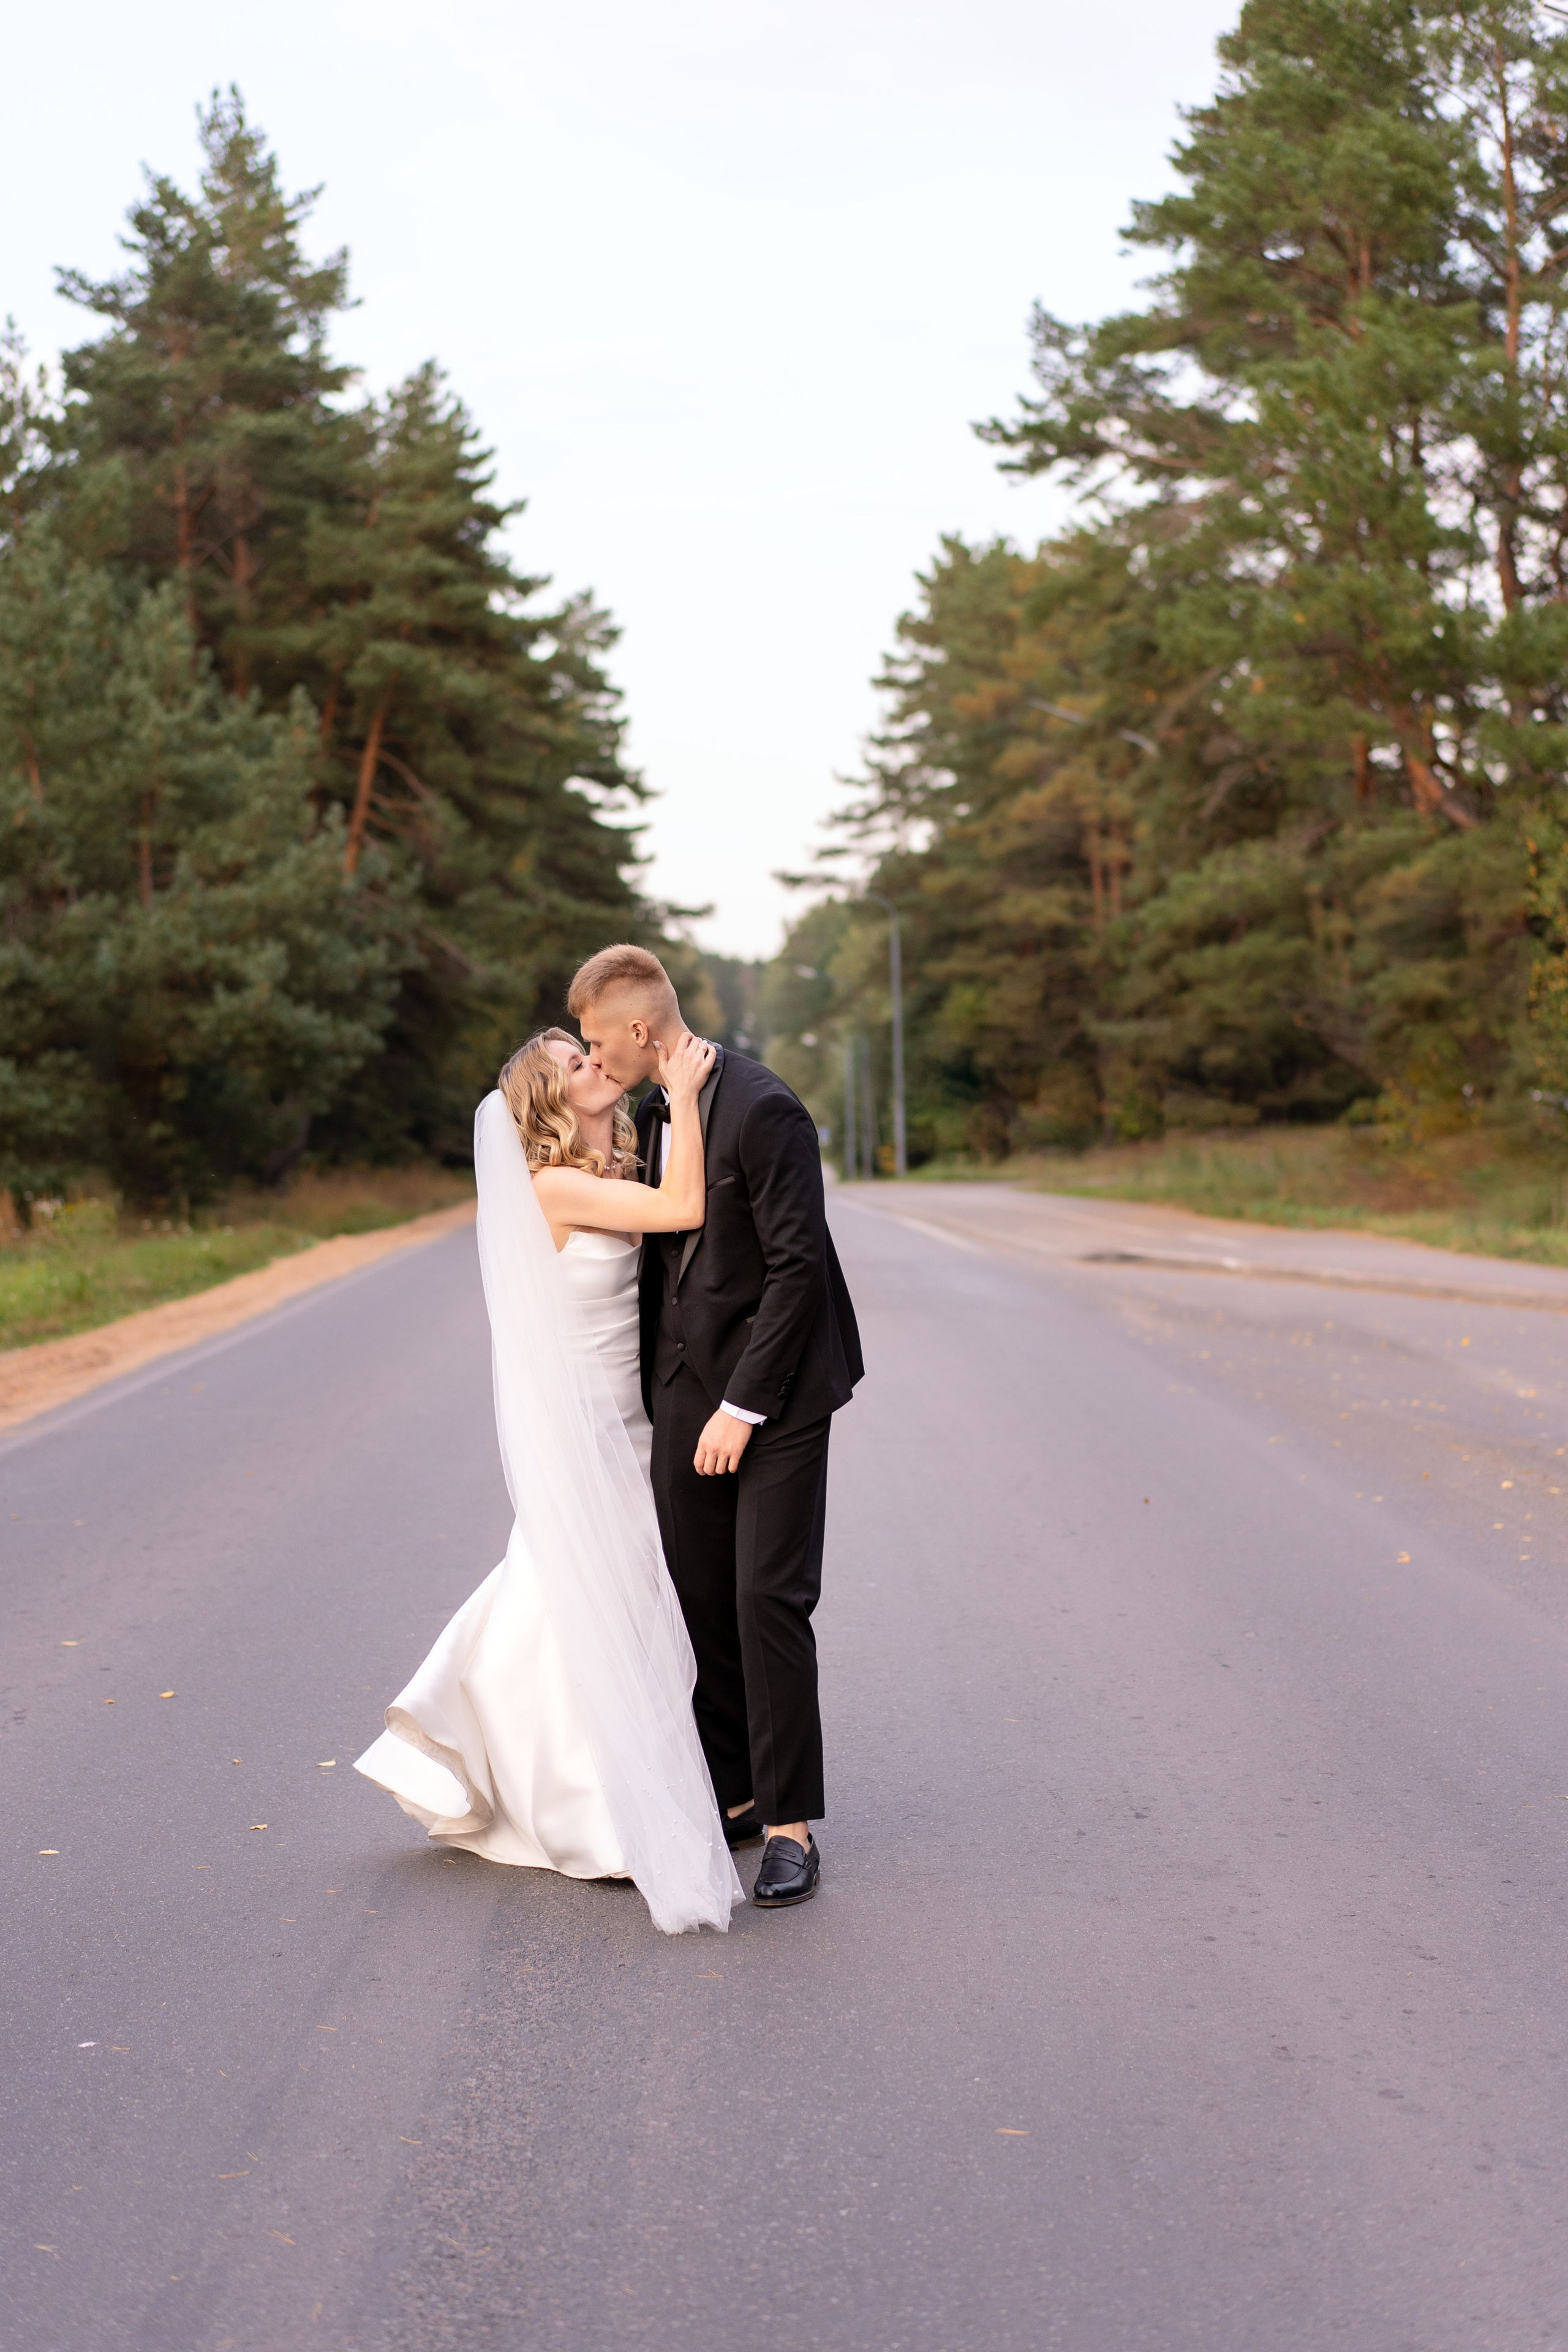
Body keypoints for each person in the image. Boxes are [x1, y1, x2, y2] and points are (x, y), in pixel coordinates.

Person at [354, 1025, 741, 1937]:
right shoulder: (557, 1186)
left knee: (580, 1587)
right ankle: (591, 1809)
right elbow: (685, 1210)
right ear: (551, 1103)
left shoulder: (607, 1169)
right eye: (576, 1064)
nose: (596, 1064)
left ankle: (467, 1735)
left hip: (630, 1415)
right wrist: (684, 1094)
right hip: (587, 1428)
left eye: (590, 1052)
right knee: (599, 1593)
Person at [568, 944, 864, 1911]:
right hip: (683, 1395)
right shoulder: (652, 1112)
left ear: (641, 1032)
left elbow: (796, 1269)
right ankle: (733, 1791)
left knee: (765, 1598)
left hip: (774, 1392)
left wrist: (743, 1405)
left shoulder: (765, 1106)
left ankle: (790, 1827)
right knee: (696, 1600)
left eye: (595, 1037)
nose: (590, 1052)